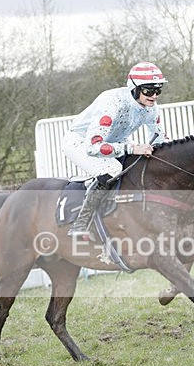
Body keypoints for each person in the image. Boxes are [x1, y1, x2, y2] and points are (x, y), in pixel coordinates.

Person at [64, 62, 170, 238]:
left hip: (115, 141)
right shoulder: (112, 103)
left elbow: (161, 139)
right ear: (134, 88)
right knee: (112, 169)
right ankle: (82, 222)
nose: (154, 96)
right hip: (81, 142)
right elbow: (93, 147)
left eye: (158, 90)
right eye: (149, 91)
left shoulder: (150, 108)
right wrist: (132, 148)